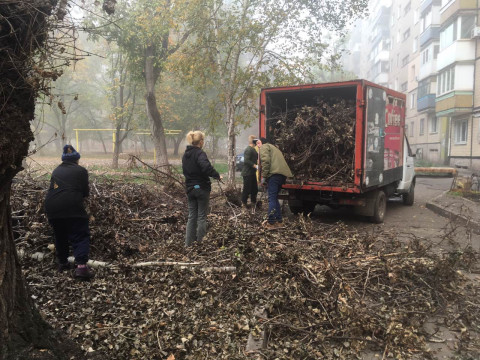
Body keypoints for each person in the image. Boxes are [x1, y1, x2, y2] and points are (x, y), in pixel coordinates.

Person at [45, 145, 94, 280]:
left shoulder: (56, 170)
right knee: (80, 235)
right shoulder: (81, 171)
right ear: (76, 159)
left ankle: (63, 263)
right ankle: (82, 269)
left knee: (60, 235)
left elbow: (54, 188)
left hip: (51, 206)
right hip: (72, 205)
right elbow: (85, 193)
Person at [182, 131, 221, 246]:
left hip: (190, 188)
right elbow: (205, 167)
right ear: (201, 142)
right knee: (201, 217)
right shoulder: (200, 153)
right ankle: (200, 244)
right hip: (201, 188)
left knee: (191, 216)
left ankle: (188, 244)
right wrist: (217, 175)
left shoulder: (186, 154)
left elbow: (185, 171)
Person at [257, 137, 293, 230]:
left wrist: (263, 177)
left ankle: (271, 222)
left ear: (262, 142)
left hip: (274, 175)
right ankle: (279, 221)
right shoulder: (274, 148)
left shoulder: (265, 147)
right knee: (275, 197)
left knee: (271, 198)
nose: (258, 146)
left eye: (258, 143)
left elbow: (266, 162)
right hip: (282, 175)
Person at [241, 135, 259, 208]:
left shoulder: (253, 149)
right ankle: (244, 204)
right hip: (247, 173)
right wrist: (255, 166)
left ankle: (253, 203)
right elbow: (246, 161)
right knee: (246, 189)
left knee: (254, 189)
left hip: (252, 173)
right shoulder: (248, 149)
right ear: (253, 141)